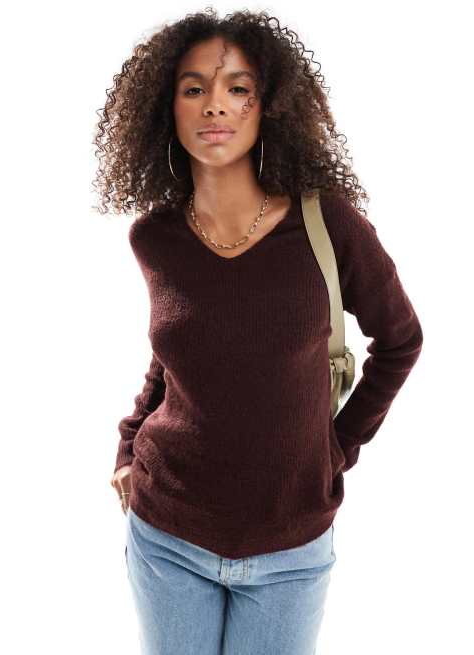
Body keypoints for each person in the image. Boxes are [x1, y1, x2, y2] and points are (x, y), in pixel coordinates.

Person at [94, 9, 424, 655]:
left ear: (268, 104)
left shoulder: (328, 225)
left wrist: (336, 449)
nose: (215, 105)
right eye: (194, 88)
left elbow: (400, 341)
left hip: (289, 550)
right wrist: (128, 445)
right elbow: (173, 359)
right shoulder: (155, 238)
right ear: (167, 107)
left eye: (237, 88)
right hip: (167, 537)